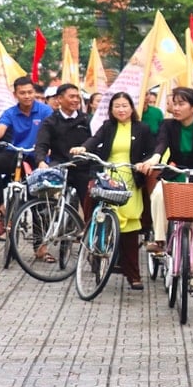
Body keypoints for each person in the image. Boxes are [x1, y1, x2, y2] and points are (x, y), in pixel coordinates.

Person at [136, 86, 193, 313]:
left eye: (180, 104)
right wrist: (154, 159)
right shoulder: (168, 126)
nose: (175, 108)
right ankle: (160, 240)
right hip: (175, 173)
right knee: (158, 193)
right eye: (173, 103)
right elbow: (160, 146)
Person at [71, 92, 154, 289]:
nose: (121, 109)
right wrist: (83, 148)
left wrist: (145, 163)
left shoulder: (142, 128)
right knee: (101, 217)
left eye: (125, 105)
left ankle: (133, 275)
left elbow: (151, 151)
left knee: (130, 228)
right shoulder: (108, 127)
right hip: (108, 177)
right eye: (117, 106)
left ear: (132, 108)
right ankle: (96, 255)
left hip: (131, 178)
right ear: (111, 110)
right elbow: (94, 140)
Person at [0, 77, 52, 238]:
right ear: (15, 94)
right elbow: (1, 128)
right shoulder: (10, 112)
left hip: (38, 157)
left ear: (34, 92)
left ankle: (40, 246)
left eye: (30, 92)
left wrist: (49, 147)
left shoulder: (45, 111)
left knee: (37, 200)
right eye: (22, 93)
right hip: (16, 154)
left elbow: (52, 130)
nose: (27, 96)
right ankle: (1, 207)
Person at [34, 83, 93, 210]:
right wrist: (41, 161)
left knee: (90, 204)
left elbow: (95, 140)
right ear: (59, 99)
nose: (76, 100)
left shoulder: (87, 120)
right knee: (43, 194)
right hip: (60, 165)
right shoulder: (50, 121)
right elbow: (42, 143)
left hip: (83, 167)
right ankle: (45, 225)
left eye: (78, 97)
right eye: (71, 97)